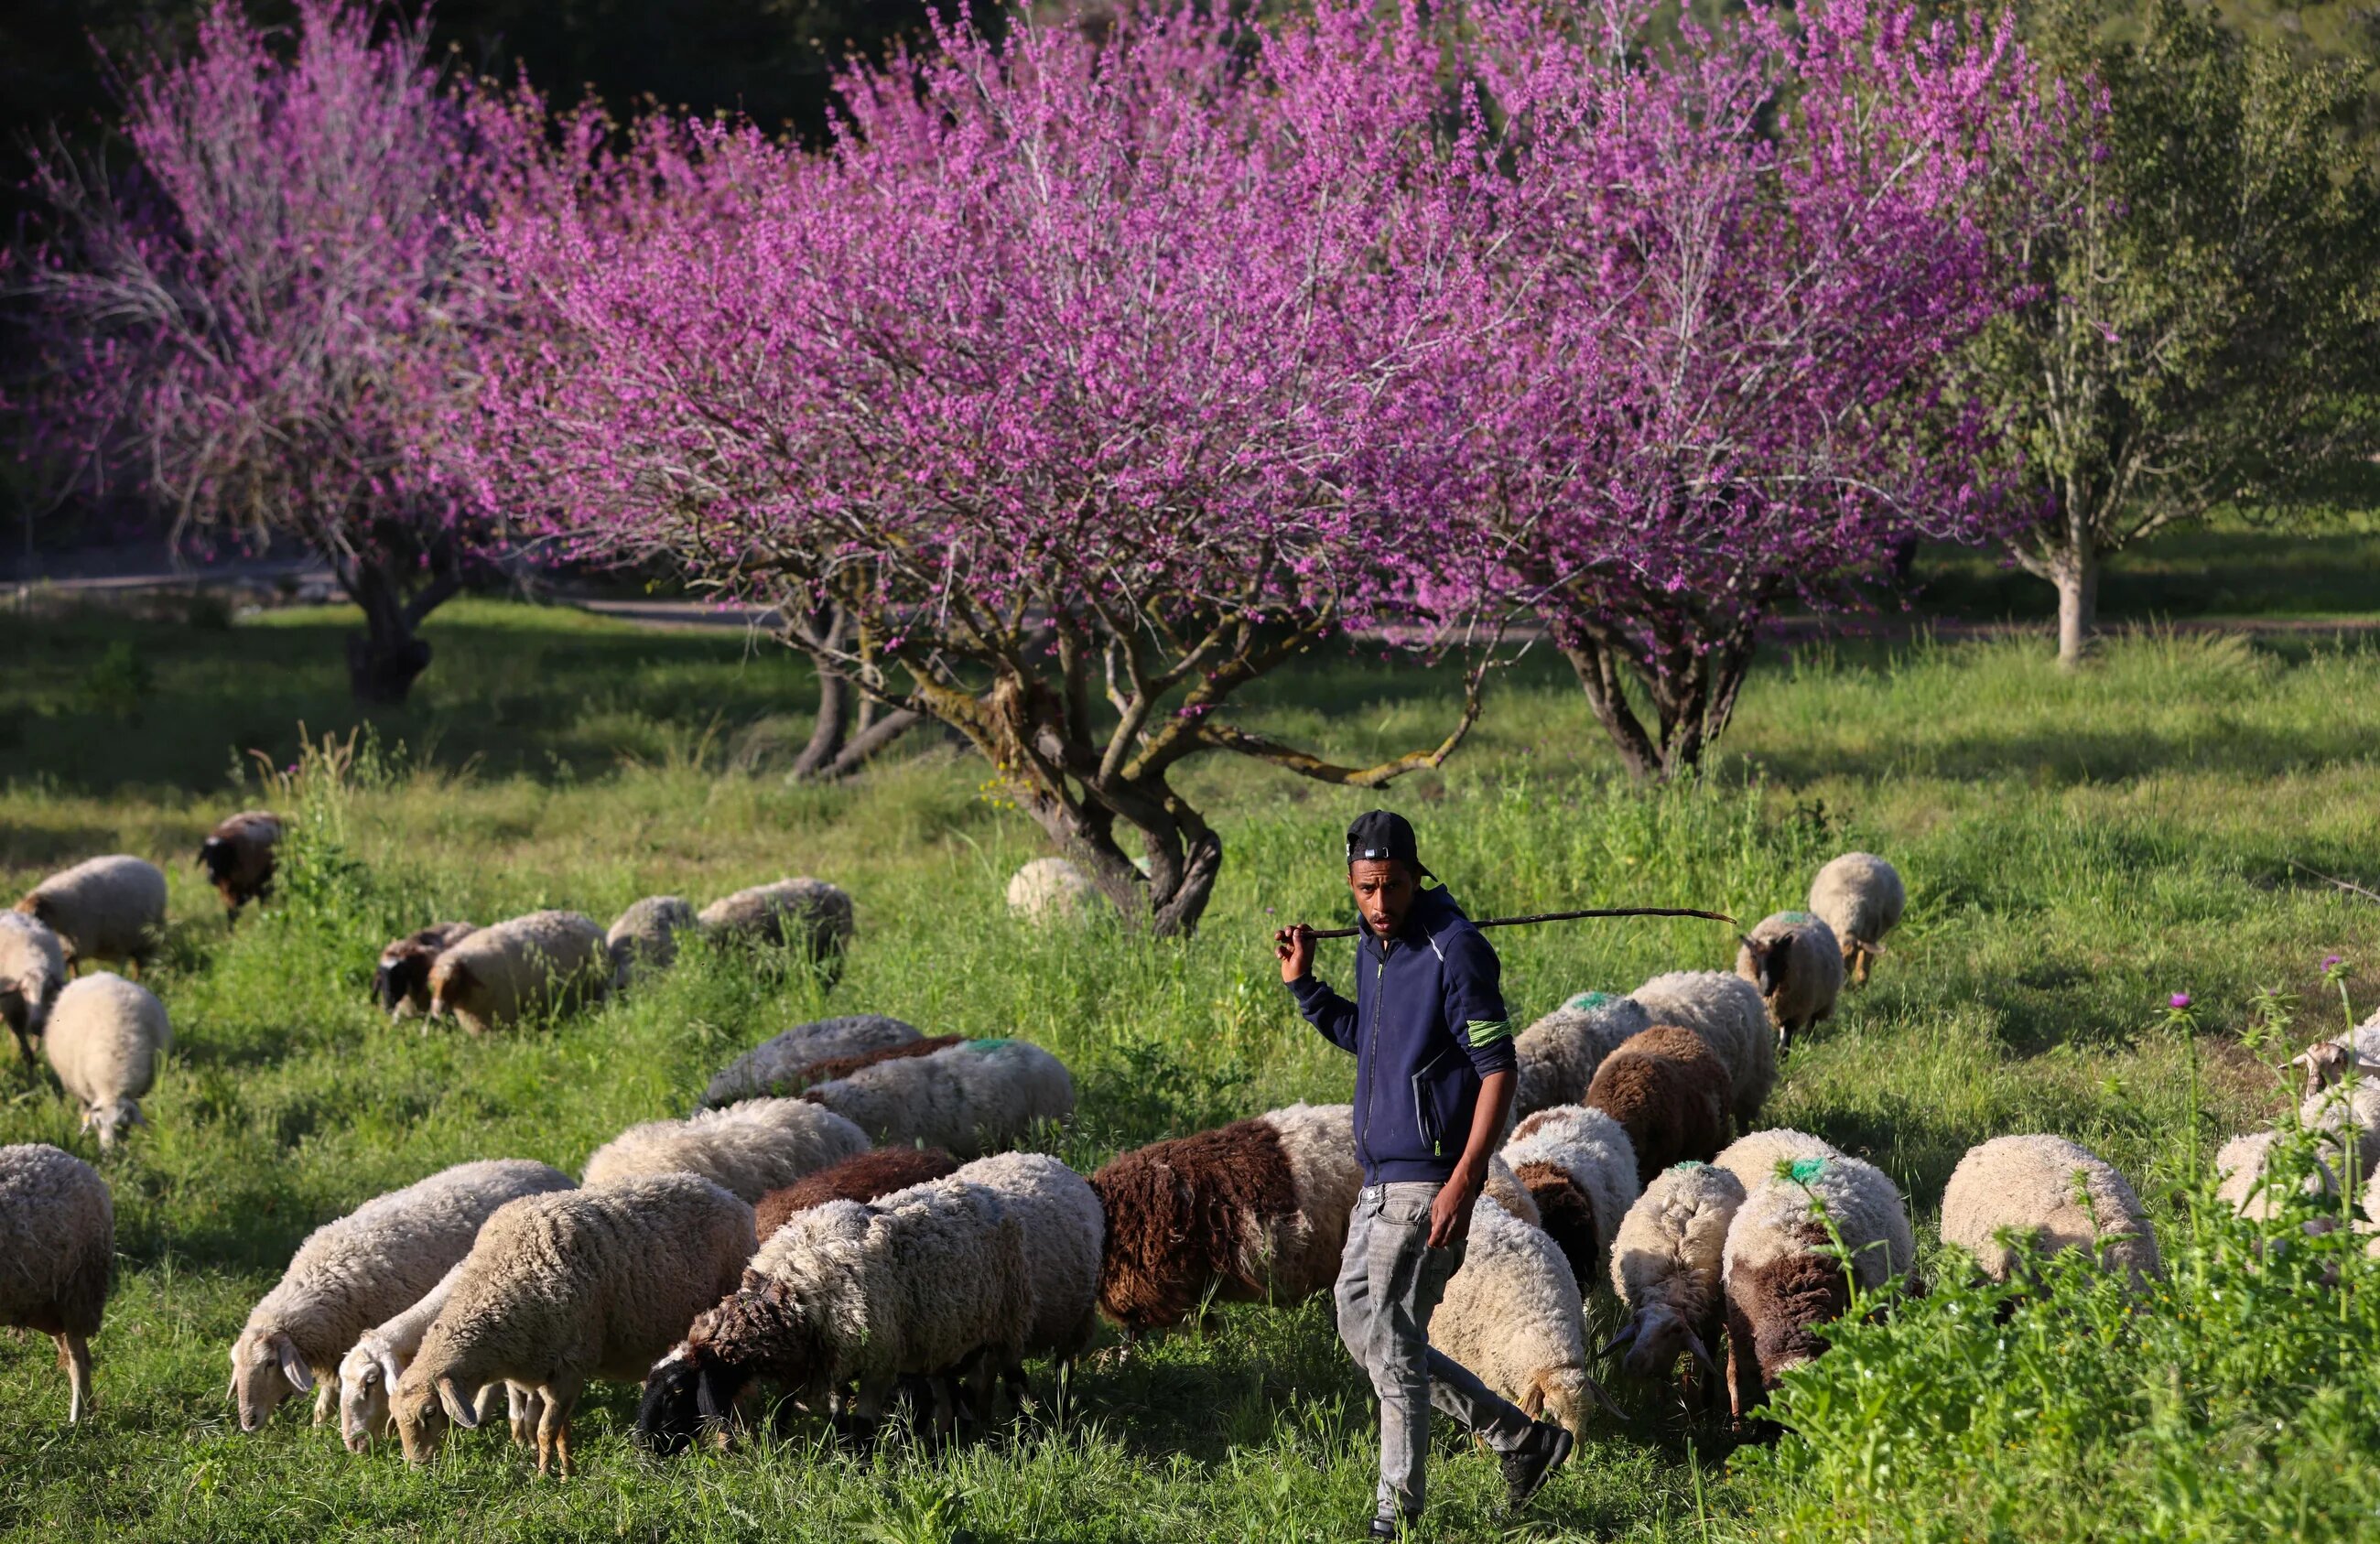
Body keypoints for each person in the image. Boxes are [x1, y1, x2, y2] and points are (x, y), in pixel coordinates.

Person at [1274, 809, 1574, 1538]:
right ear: (1351, 883)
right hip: (1374, 1175)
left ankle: (1396, 1509)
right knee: (1363, 1329)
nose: (1381, 905)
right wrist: (1305, 988)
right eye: (1367, 889)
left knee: (1397, 1332)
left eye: (1395, 887)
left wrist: (1464, 1183)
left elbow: (1499, 1068)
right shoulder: (1374, 947)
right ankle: (1522, 1437)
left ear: (1418, 875)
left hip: (1426, 1179)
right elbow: (1372, 1039)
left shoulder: (1456, 949)